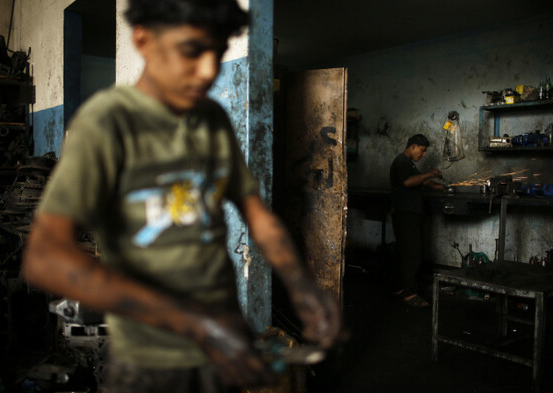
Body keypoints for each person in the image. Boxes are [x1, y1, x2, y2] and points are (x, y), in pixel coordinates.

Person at [21, 0, 342, 392]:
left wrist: (301, 284)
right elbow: (44, 256)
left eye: (218, 53)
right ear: (144, 41)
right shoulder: (106, 123)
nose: (209, 70)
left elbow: (256, 214)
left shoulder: (212, 121)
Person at [389, 134, 444, 308]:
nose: (424, 155)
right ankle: (410, 293)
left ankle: (401, 287)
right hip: (405, 214)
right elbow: (408, 182)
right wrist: (430, 173)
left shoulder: (410, 164)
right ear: (413, 147)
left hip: (411, 213)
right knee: (413, 253)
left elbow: (421, 181)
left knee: (406, 252)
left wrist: (439, 186)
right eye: (422, 150)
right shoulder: (401, 162)